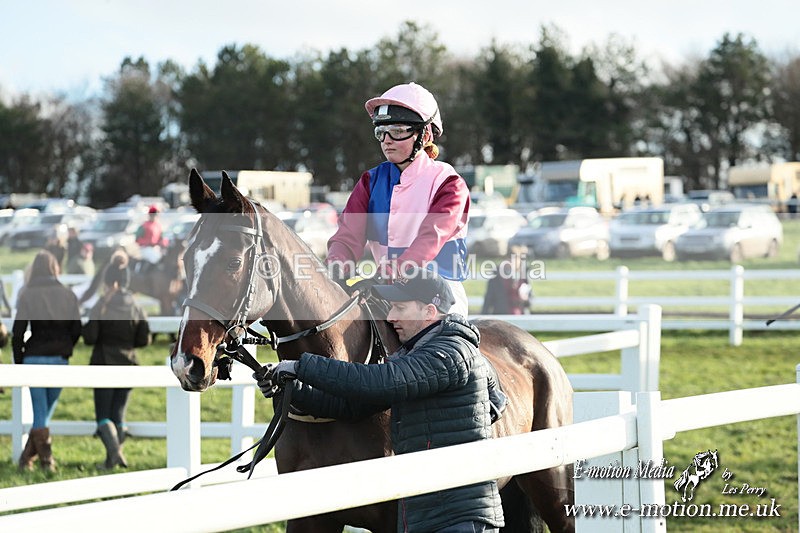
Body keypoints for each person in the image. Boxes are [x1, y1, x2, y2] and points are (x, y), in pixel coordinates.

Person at [257, 270, 505, 532]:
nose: (390, 317)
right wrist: (289, 390)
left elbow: (380, 381)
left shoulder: (451, 351)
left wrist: (302, 366)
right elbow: (352, 405)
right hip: (427, 513)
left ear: (429, 312)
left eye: (400, 307)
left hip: (458, 518)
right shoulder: (414, 355)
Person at [326, 82, 471, 316]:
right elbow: (347, 236)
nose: (386, 140)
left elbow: (429, 239)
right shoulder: (369, 181)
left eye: (397, 130)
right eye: (381, 131)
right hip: (387, 291)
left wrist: (392, 271)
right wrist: (337, 265)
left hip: (439, 296)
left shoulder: (449, 184)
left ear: (424, 135)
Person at [12, 250, 82, 472]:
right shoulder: (68, 294)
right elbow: (77, 328)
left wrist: (19, 360)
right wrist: (66, 346)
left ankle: (26, 459)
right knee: (44, 412)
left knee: (42, 413)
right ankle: (46, 461)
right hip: (60, 358)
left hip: (34, 356)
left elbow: (18, 332)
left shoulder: (26, 294)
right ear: (55, 268)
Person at [82, 252, 150, 469]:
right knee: (118, 415)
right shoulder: (136, 305)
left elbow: (90, 338)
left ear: (109, 280)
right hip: (128, 365)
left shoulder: (102, 304)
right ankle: (113, 458)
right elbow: (144, 339)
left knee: (103, 416)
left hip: (104, 364)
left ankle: (114, 457)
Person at [480, 246, 531, 315]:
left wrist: (525, 299)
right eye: (510, 259)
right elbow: (488, 301)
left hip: (520, 316)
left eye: (516, 259)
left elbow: (530, 301)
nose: (512, 262)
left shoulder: (524, 277)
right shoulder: (496, 278)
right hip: (502, 317)